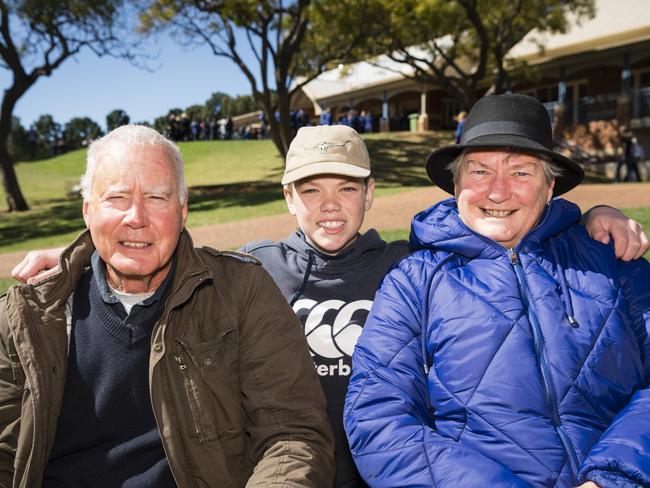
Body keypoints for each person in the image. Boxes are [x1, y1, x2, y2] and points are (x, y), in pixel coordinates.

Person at [11, 125, 649, 488]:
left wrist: (590, 217)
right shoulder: (252, 270)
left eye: (347, 188)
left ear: (371, 194)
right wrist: (67, 262)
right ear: (288, 198)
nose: (330, 206)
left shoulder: (410, 268)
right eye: (310, 190)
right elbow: (149, 239)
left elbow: (492, 252)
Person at [0, 125, 334, 487]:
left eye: (157, 198)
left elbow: (292, 435)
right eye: (117, 198)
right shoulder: (27, 318)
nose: (136, 217)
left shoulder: (241, 292)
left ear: (183, 209)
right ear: (88, 211)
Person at [344, 94, 650, 487]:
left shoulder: (613, 260)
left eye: (521, 173)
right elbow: (376, 416)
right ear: (455, 184)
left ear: (550, 185)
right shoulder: (414, 281)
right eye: (479, 171)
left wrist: (614, 478)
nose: (498, 192)